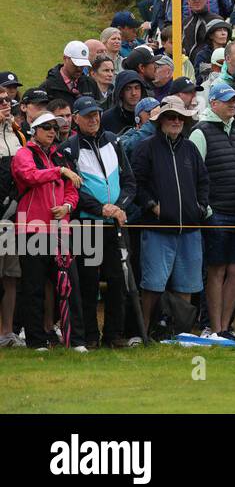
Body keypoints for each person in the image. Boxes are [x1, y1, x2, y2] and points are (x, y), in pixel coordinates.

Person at [60, 96, 137, 348]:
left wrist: (119, 207)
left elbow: (129, 182)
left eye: (96, 114)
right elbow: (74, 191)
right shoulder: (69, 148)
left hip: (114, 223)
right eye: (88, 115)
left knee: (118, 281)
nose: (94, 118)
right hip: (87, 225)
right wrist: (102, 208)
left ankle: (113, 335)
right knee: (88, 282)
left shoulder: (113, 141)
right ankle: (91, 336)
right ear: (76, 118)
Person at [133, 96, 211, 336]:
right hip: (157, 228)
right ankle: (144, 331)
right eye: (171, 116)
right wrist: (151, 206)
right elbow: (136, 182)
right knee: (152, 284)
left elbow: (203, 182)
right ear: (161, 120)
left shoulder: (190, 149)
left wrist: (199, 207)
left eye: (180, 117)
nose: (176, 121)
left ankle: (180, 333)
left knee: (187, 284)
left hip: (189, 228)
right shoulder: (145, 147)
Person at [13, 112, 87, 351]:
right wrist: (59, 172)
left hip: (59, 230)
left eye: (55, 128)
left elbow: (73, 189)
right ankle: (35, 340)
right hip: (31, 229)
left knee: (70, 285)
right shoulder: (25, 154)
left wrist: (67, 206)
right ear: (34, 130)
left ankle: (75, 340)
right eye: (46, 128)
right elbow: (29, 176)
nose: (52, 132)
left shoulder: (60, 156)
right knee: (33, 287)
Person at [189, 82, 235, 340]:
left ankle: (226, 327)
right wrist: (204, 209)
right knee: (216, 270)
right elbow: (194, 175)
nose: (232, 105)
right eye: (226, 101)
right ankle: (213, 327)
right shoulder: (200, 132)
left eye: (234, 101)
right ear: (213, 104)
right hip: (216, 212)